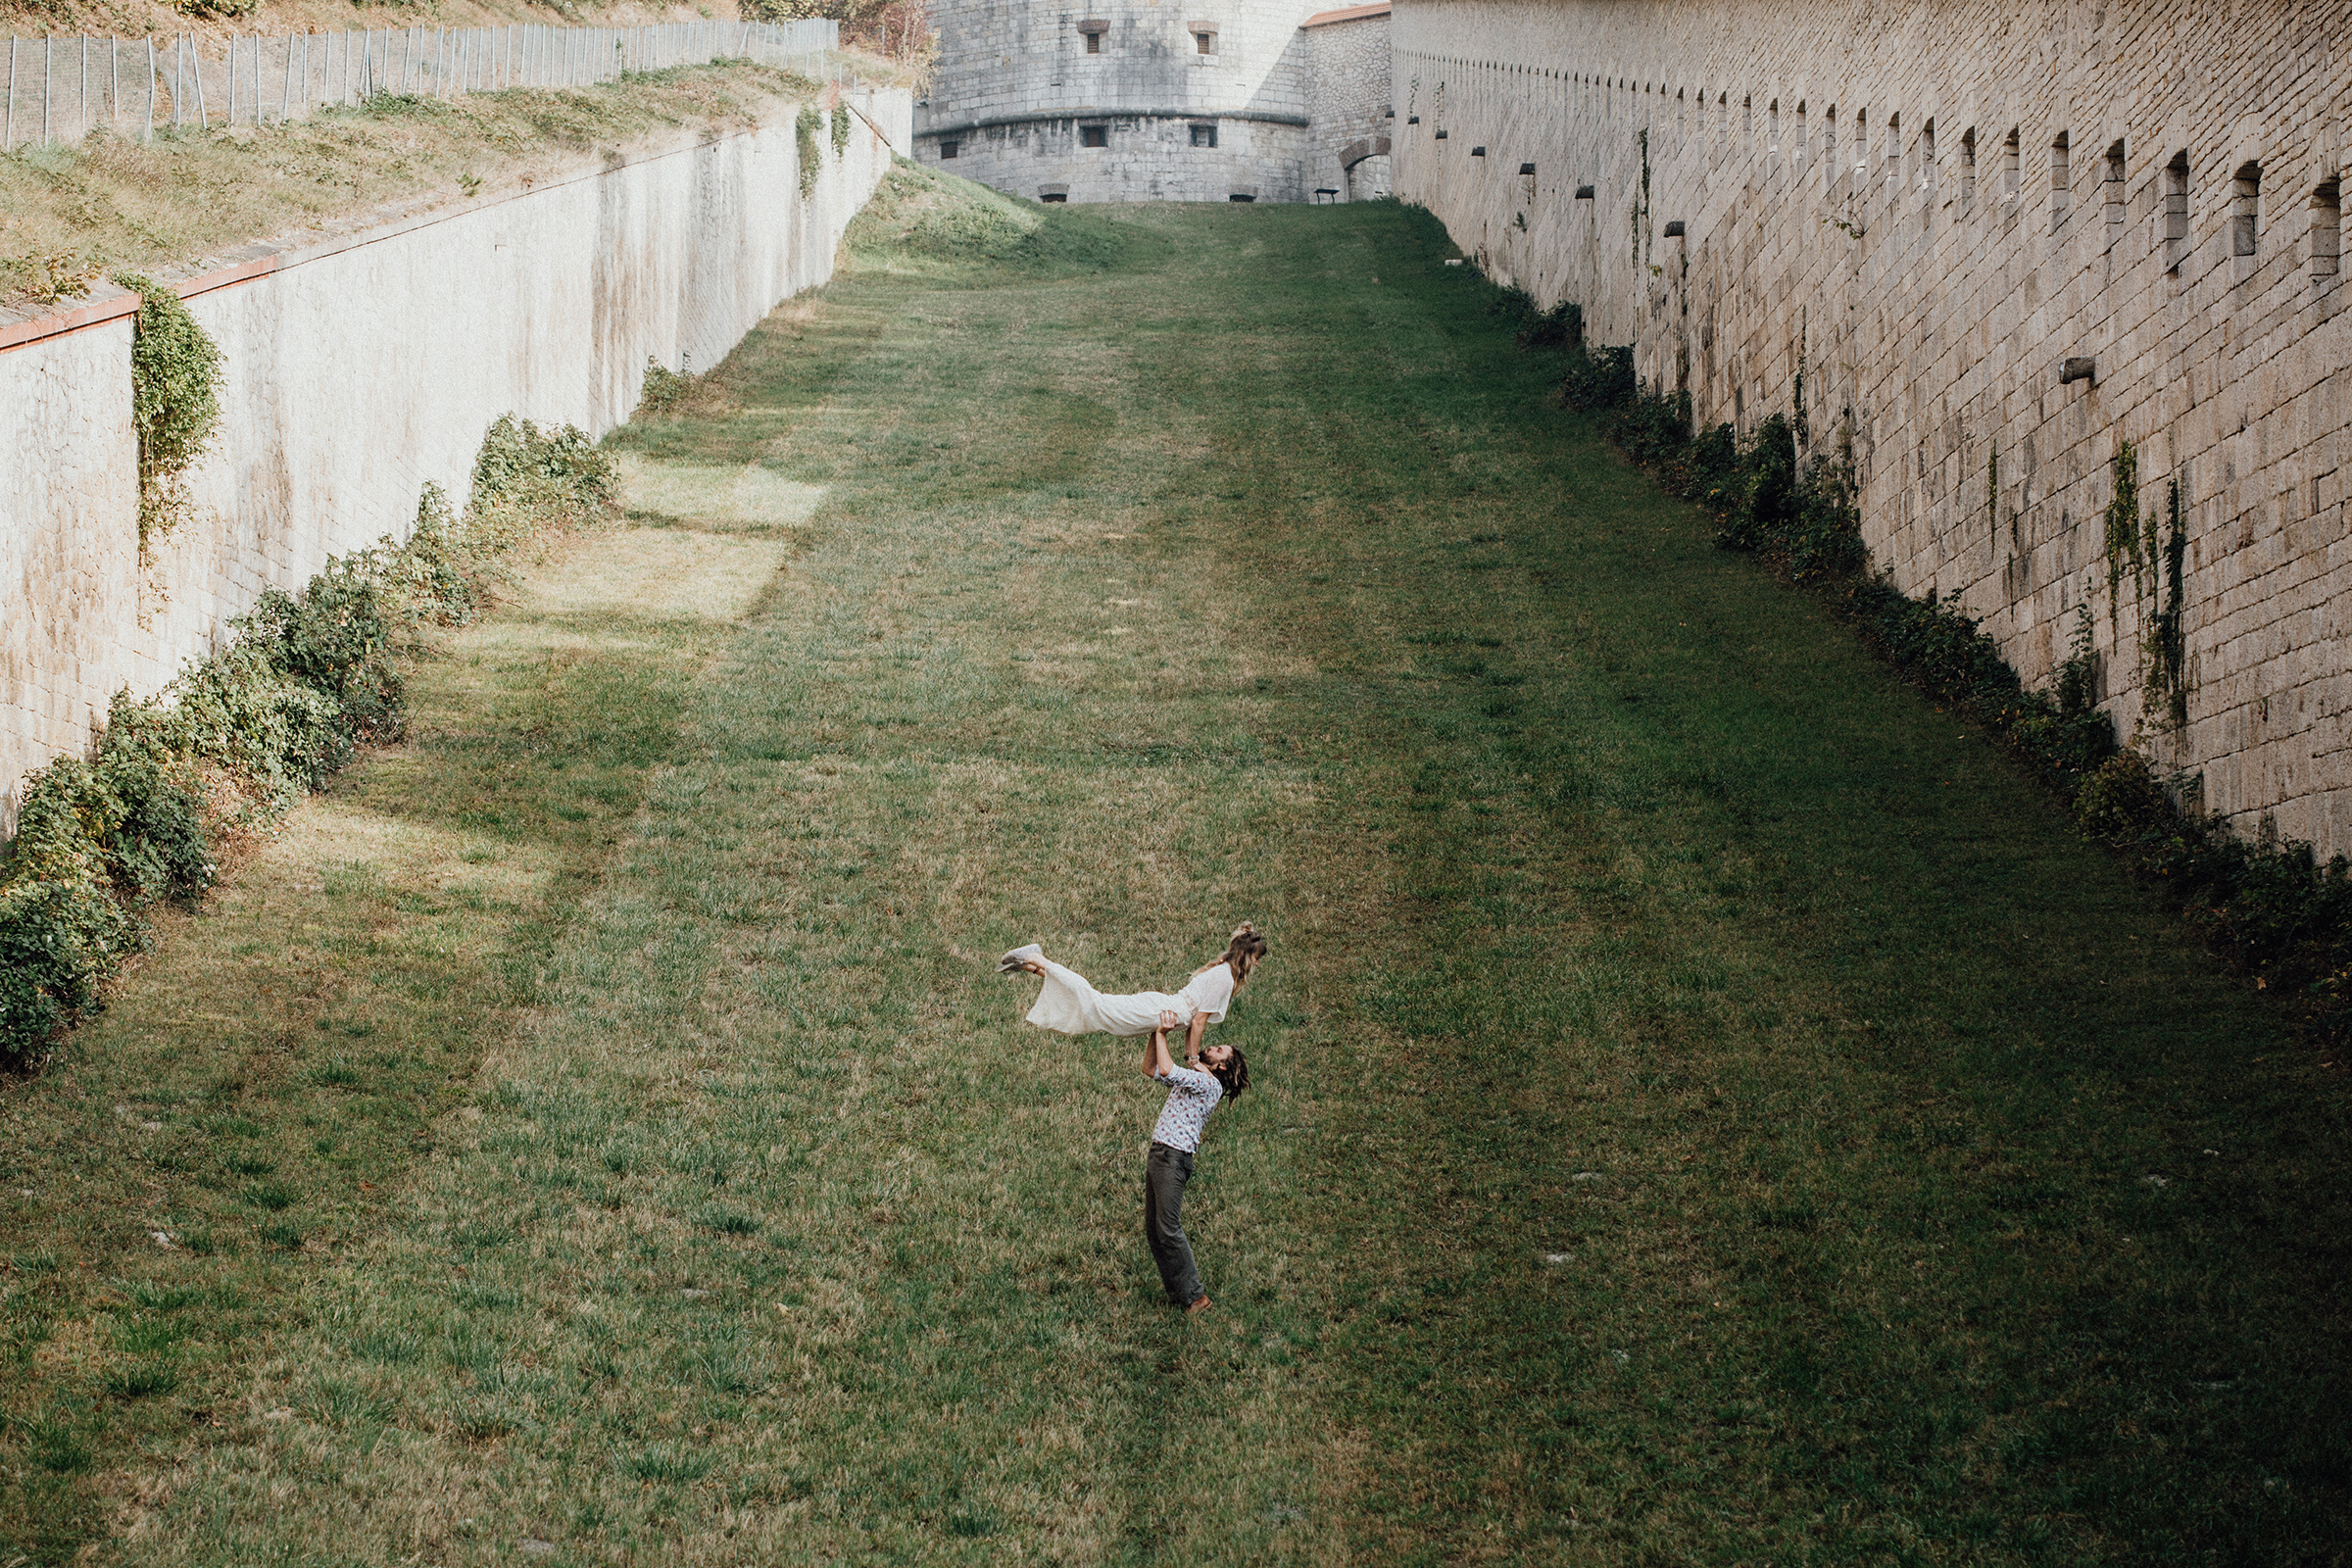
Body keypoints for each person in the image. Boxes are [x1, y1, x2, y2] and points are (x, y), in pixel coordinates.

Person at [998, 923, 1267, 1068]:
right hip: (1159, 1010)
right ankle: (1036, 958)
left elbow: (1193, 1023)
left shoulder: (1221, 972)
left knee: (1094, 1012)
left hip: (1160, 1010)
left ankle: (1032, 966)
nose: (1257, 964)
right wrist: (1193, 1060)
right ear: (1247, 956)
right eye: (1257, 958)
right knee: (1094, 1004)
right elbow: (1198, 1022)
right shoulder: (1224, 977)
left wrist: (1190, 1057)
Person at [1135, 1006, 1244, 1313]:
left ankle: (1197, 1297)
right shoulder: (1195, 1079)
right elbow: (1150, 1068)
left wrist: (1163, 1033)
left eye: (1218, 1050)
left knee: (1168, 1229)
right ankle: (1179, 1294)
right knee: (1155, 1232)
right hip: (1161, 1155)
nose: (1211, 1047)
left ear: (1222, 1066)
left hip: (1173, 1157)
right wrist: (1154, 1033)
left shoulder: (1210, 1085)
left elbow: (1167, 1068)